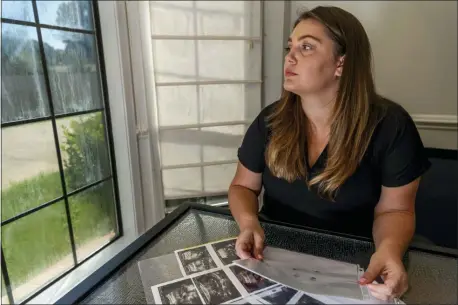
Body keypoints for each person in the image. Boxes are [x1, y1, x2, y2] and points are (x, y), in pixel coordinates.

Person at [228, 5, 431, 302]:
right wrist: (248, 222)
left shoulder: (391, 125)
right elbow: (242, 186)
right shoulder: (270, 120)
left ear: (341, 64)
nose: (290, 56)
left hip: (355, 266)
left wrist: (388, 251)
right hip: (273, 257)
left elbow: (396, 210)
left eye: (306, 47)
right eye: (290, 46)